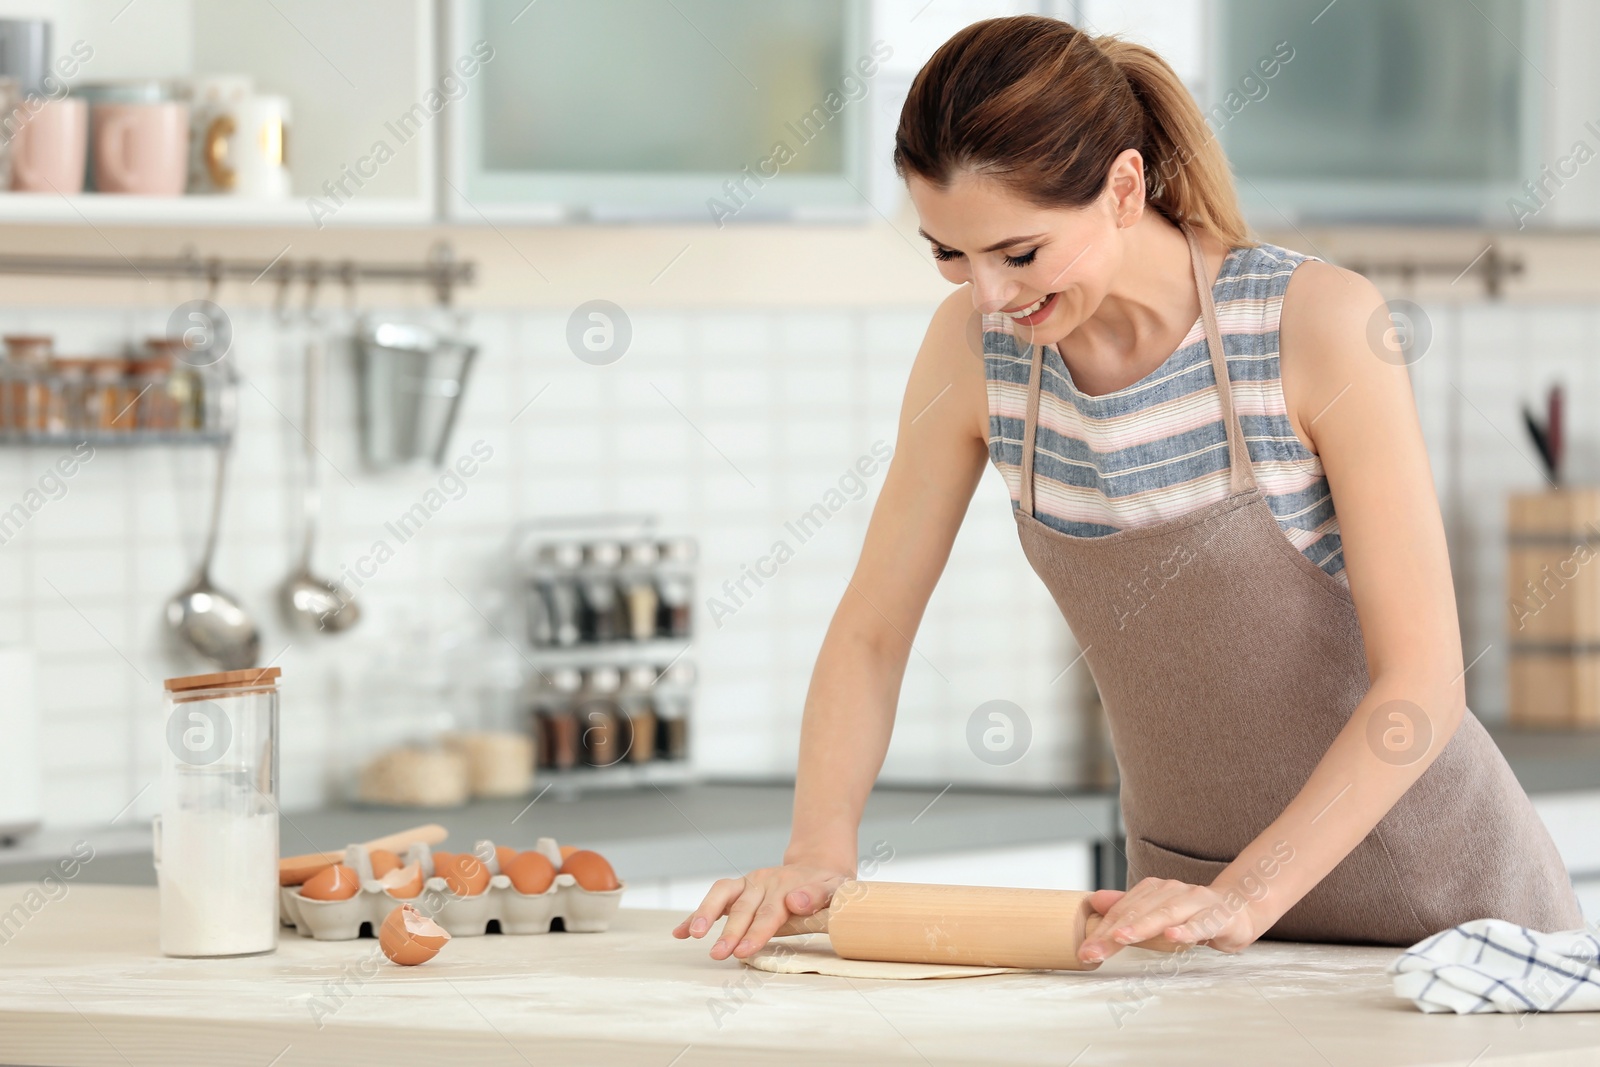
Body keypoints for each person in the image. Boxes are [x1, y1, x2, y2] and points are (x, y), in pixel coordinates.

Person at [673, 14, 1584, 965]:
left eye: (1019, 254)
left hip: (1454, 913)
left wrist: (1248, 893)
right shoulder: (978, 355)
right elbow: (871, 631)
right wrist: (818, 852)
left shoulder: (1312, 325)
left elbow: (1423, 685)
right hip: (1197, 923)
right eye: (948, 252)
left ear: (1122, 187)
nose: (986, 295)